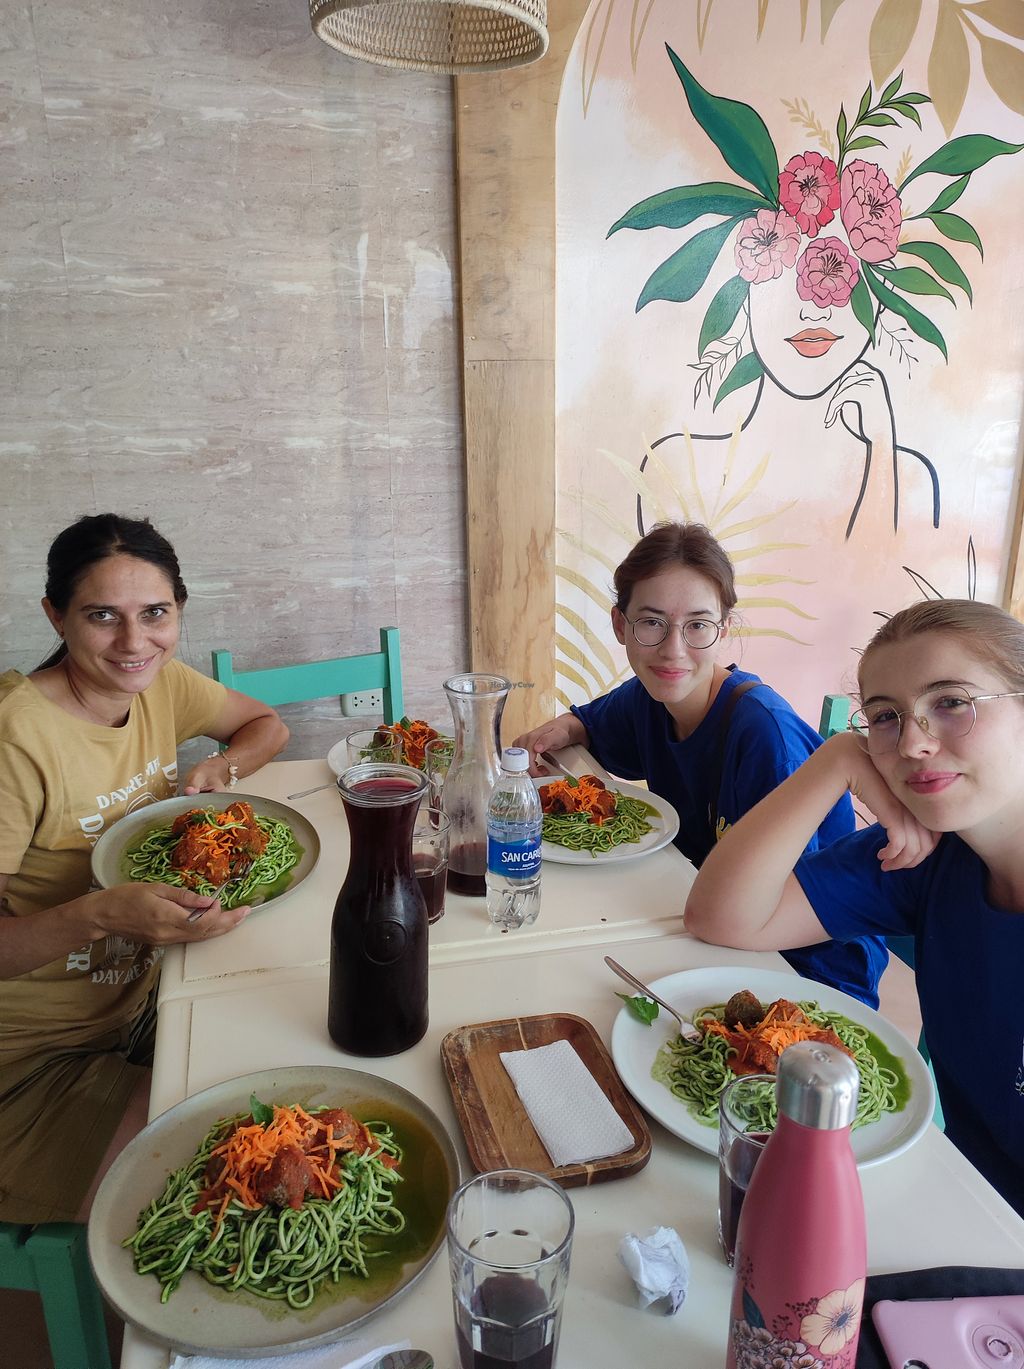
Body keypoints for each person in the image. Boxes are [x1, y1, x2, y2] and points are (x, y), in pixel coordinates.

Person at [684, 598, 1024, 1216]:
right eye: (886, 717)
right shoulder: (926, 861)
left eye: (951, 701)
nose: (913, 743)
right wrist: (835, 760)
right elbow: (722, 916)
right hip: (960, 1202)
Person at [0, 513, 290, 1225]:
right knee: (212, 1195)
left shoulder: (159, 684)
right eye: (102, 616)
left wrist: (221, 767)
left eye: (155, 613)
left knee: (294, 1092)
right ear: (56, 616)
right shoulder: (16, 737)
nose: (134, 642)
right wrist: (100, 913)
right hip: (31, 1057)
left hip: (149, 999)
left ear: (178, 611)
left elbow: (267, 725)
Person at [515, 521, 887, 1004]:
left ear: (723, 629)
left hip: (805, 972)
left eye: (697, 625)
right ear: (620, 625)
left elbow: (792, 907)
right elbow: (587, 724)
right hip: (705, 923)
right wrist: (561, 729)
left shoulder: (763, 736)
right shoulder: (652, 696)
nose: (673, 650)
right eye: (651, 622)